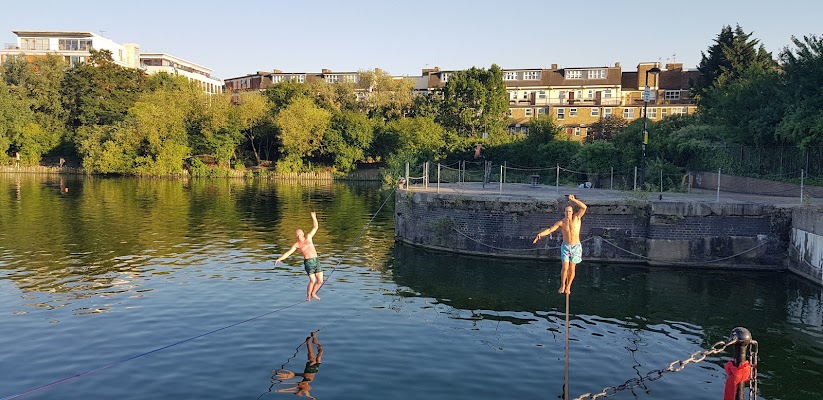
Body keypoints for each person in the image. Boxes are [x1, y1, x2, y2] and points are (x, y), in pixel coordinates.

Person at [533, 194, 587, 295]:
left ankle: (568, 287)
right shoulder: (561, 223)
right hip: (566, 246)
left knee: (572, 268)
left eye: (570, 211)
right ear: (564, 212)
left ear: (572, 212)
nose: (568, 213)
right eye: (566, 211)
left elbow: (584, 207)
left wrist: (574, 200)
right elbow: (550, 230)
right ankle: (562, 285)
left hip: (576, 246)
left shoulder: (577, 218)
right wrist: (540, 234)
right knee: (565, 267)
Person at [275, 211, 323, 301]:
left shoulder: (309, 237)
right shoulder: (296, 245)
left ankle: (314, 293)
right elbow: (288, 253)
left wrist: (314, 217)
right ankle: (308, 295)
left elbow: (315, 227)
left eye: (299, 235)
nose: (298, 237)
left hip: (316, 260)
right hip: (308, 262)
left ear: (303, 234)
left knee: (320, 281)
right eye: (297, 236)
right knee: (313, 280)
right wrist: (280, 259)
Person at [274, 331, 323, 399]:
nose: (299, 384)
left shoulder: (305, 382)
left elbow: (306, 391)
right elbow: (307, 394)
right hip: (312, 371)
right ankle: (313, 338)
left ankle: (309, 341)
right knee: (319, 352)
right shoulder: (305, 384)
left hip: (311, 371)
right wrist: (312, 397)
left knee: (314, 355)